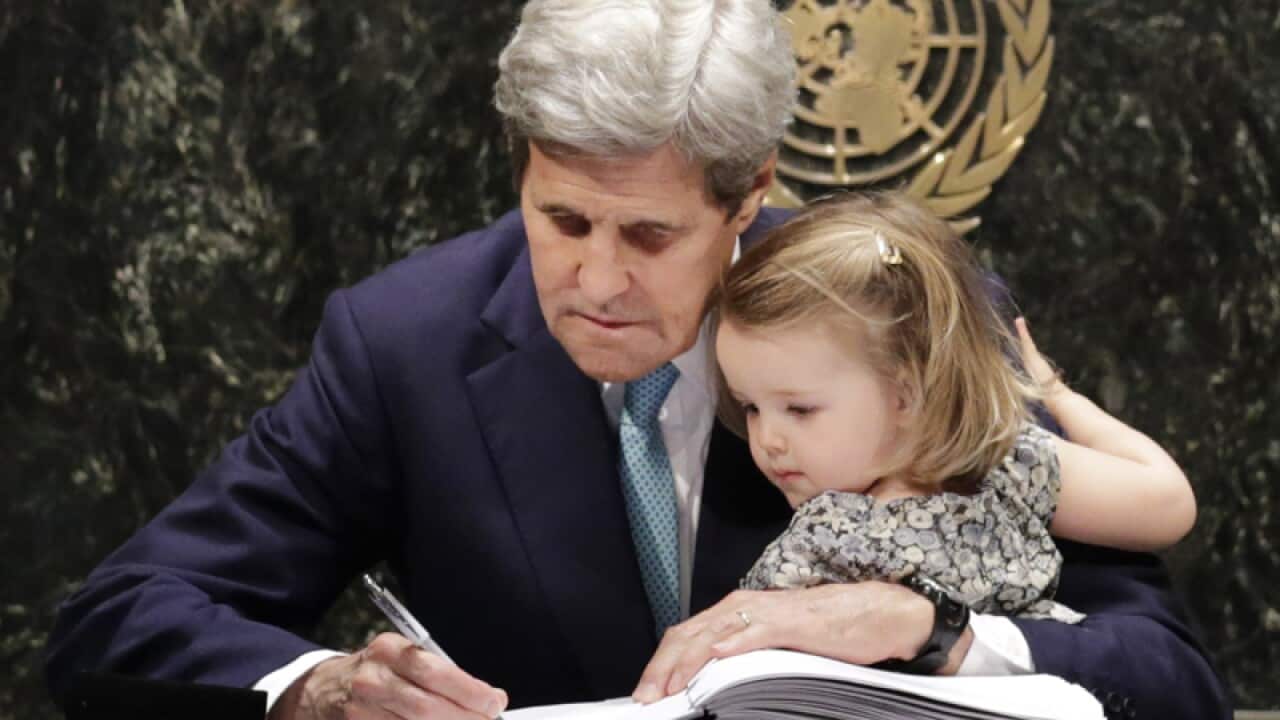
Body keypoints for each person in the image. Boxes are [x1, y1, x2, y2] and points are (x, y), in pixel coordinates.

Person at [44, 2, 1229, 720]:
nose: (597, 281)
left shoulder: (898, 312)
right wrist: (313, 686)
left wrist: (931, 635)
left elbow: (1170, 684)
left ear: (750, 194)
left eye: (650, 235)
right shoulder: (401, 340)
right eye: (561, 221)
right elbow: (123, 615)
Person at [708, 191, 1195, 634]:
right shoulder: (814, 538)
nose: (767, 438)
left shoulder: (1003, 464)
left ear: (906, 394)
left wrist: (1060, 398)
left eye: (799, 408)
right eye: (751, 407)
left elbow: (1166, 506)